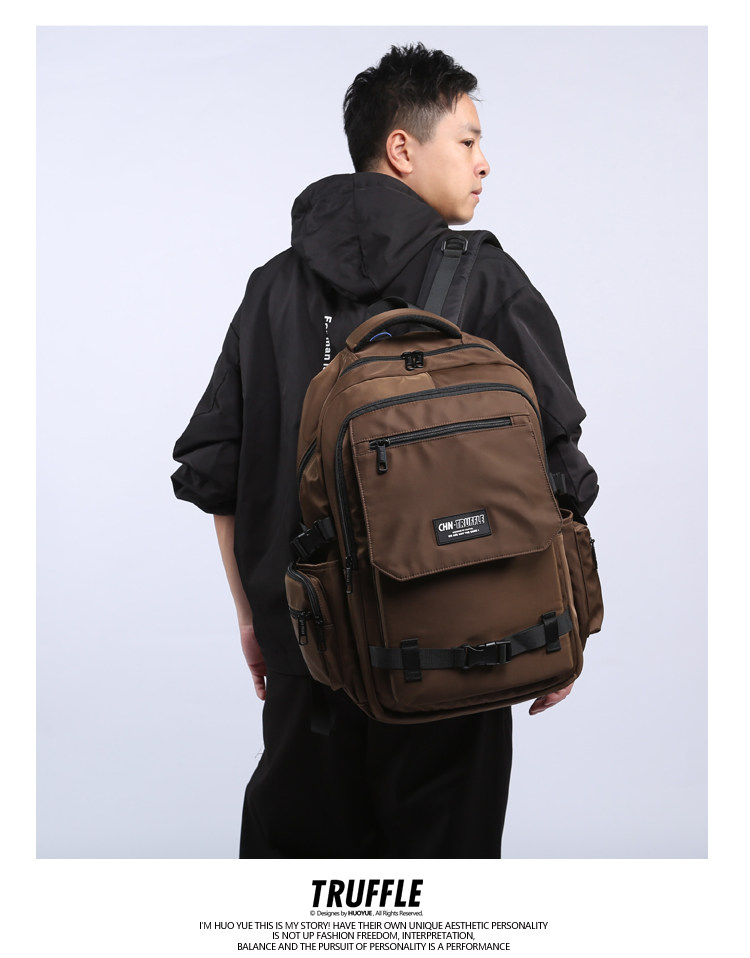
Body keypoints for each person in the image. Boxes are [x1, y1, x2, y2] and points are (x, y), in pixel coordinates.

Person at [171, 43, 598, 858]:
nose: (483, 162)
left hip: (308, 657)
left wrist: (255, 620)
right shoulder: (487, 281)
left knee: (300, 899)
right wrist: (563, 620)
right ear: (402, 148)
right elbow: (556, 469)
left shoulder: (272, 287)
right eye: (467, 140)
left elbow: (218, 475)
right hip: (462, 654)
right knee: (440, 898)